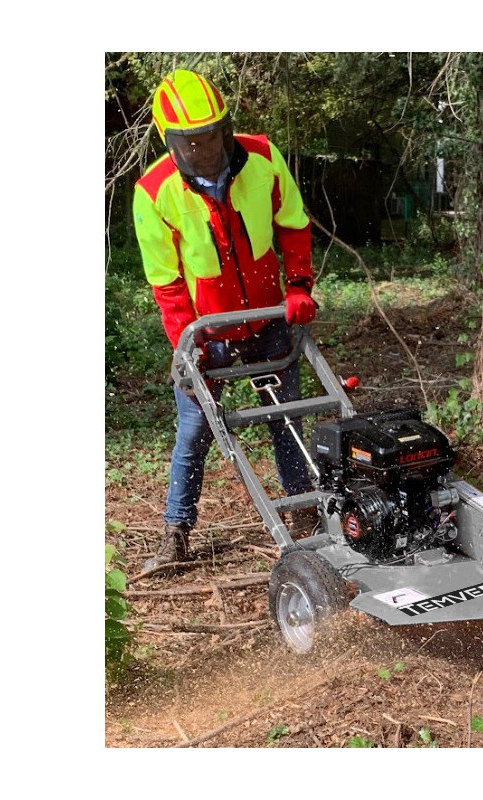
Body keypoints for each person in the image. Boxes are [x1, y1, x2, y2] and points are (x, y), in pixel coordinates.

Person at [133, 69, 318, 572]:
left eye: (212, 134)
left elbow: (293, 224)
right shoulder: (155, 191)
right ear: (171, 141)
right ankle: (176, 531)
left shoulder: (262, 157)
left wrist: (299, 285)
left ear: (225, 127)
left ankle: (303, 510)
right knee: (196, 427)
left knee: (286, 417)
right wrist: (186, 344)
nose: (204, 148)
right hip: (207, 329)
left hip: (267, 317)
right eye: (190, 141)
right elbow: (167, 282)